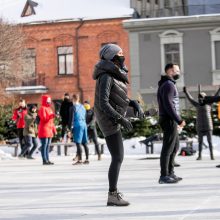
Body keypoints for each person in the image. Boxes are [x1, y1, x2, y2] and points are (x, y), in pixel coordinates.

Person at [93, 43, 144, 206]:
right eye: (120, 53)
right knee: (117, 157)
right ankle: (112, 194)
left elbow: (118, 98)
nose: (123, 56)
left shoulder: (114, 74)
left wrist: (133, 103)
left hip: (113, 118)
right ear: (112, 57)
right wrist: (120, 118)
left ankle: (113, 193)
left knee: (118, 157)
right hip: (109, 120)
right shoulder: (106, 76)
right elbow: (103, 103)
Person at [157, 63, 185, 184]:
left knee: (175, 147)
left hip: (170, 119)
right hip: (168, 120)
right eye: (176, 70)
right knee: (168, 148)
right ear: (170, 71)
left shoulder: (168, 84)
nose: (179, 72)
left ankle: (170, 172)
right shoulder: (168, 85)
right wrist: (178, 119)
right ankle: (164, 175)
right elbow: (169, 105)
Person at [183, 86, 220, 160]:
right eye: (199, 97)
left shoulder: (209, 103)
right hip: (199, 125)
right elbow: (191, 99)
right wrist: (186, 92)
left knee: (210, 141)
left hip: (208, 125)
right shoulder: (197, 104)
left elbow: (216, 96)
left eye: (202, 97)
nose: (200, 98)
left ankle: (211, 155)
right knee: (200, 142)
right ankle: (199, 155)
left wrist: (219, 89)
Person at [69, 94, 89, 165]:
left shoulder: (73, 108)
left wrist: (70, 129)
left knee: (78, 143)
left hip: (77, 125)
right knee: (84, 142)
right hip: (84, 124)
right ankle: (87, 159)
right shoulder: (83, 107)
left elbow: (71, 119)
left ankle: (80, 160)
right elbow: (85, 116)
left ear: (74, 99)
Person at [38, 95, 56, 165]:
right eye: (48, 100)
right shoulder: (42, 108)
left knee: (48, 146)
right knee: (44, 145)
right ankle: (44, 160)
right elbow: (44, 119)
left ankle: (47, 160)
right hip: (44, 129)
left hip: (49, 130)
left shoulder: (50, 109)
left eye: (49, 100)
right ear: (45, 100)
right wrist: (51, 116)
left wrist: (54, 129)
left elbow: (52, 121)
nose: (49, 102)